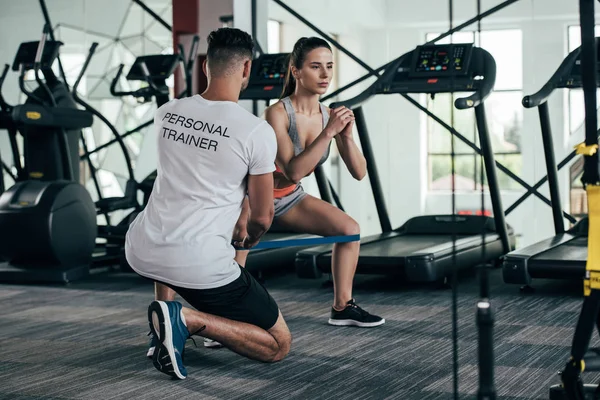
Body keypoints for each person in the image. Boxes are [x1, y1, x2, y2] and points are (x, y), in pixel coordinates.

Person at [125, 27, 291, 380]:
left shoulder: (167, 112)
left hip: (141, 248)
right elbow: (263, 214)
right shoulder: (255, 130)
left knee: (172, 245)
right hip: (197, 264)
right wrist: (250, 238)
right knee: (278, 344)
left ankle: (161, 333)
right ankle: (185, 319)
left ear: (205, 67)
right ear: (246, 69)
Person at [235, 37, 385, 328]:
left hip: (290, 198)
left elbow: (359, 172)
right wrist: (329, 132)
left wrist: (346, 136)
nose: (325, 74)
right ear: (296, 71)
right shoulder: (275, 114)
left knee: (349, 230)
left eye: (329, 66)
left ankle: (342, 307)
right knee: (236, 252)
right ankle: (225, 320)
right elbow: (293, 169)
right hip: (252, 199)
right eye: (316, 67)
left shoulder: (328, 115)